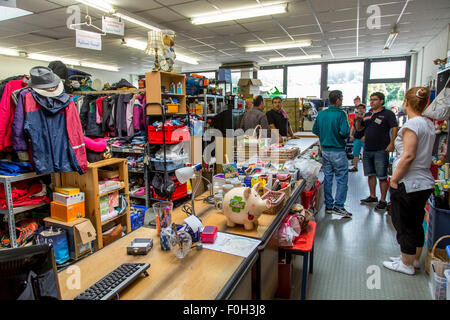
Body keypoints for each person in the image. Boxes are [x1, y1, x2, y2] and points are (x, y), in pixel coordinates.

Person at [382, 87, 435, 275]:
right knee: (416, 222)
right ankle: (413, 259)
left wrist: (394, 180)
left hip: (409, 182)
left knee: (403, 223)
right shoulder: (428, 124)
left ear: (406, 102)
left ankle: (406, 264)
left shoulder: (412, 125)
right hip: (424, 182)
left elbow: (409, 155)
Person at [355, 92, 398, 212]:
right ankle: (373, 196)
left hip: (381, 149)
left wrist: (392, 143)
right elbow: (360, 129)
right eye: (371, 99)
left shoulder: (388, 114)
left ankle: (383, 200)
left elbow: (394, 128)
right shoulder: (367, 114)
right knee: (370, 174)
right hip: (368, 149)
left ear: (381, 101)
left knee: (382, 176)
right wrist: (358, 120)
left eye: (374, 99)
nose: (372, 102)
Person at [312, 90, 352, 218]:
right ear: (339, 100)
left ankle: (329, 205)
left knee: (328, 178)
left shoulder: (322, 114)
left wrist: (325, 137)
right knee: (341, 179)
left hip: (325, 151)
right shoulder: (341, 114)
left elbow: (315, 130)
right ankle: (339, 206)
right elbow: (345, 132)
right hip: (338, 151)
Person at [349, 104, 367, 172]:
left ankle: (367, 168)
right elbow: (353, 127)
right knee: (355, 153)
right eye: (359, 108)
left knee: (366, 154)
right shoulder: (356, 118)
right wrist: (351, 135)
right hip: (357, 138)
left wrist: (365, 136)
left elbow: (369, 128)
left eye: (362, 108)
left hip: (364, 139)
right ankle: (355, 166)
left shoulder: (367, 117)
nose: (360, 109)